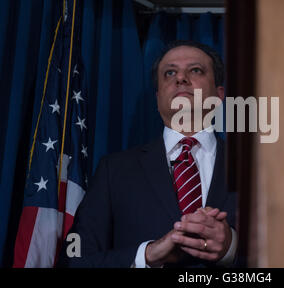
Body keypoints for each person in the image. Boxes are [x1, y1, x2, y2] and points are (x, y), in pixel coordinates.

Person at [57, 41, 237, 267]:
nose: (180, 78)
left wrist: (232, 246)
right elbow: (74, 261)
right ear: (158, 96)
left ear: (219, 95)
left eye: (195, 70)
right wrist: (146, 255)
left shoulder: (256, 168)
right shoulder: (114, 171)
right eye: (170, 72)